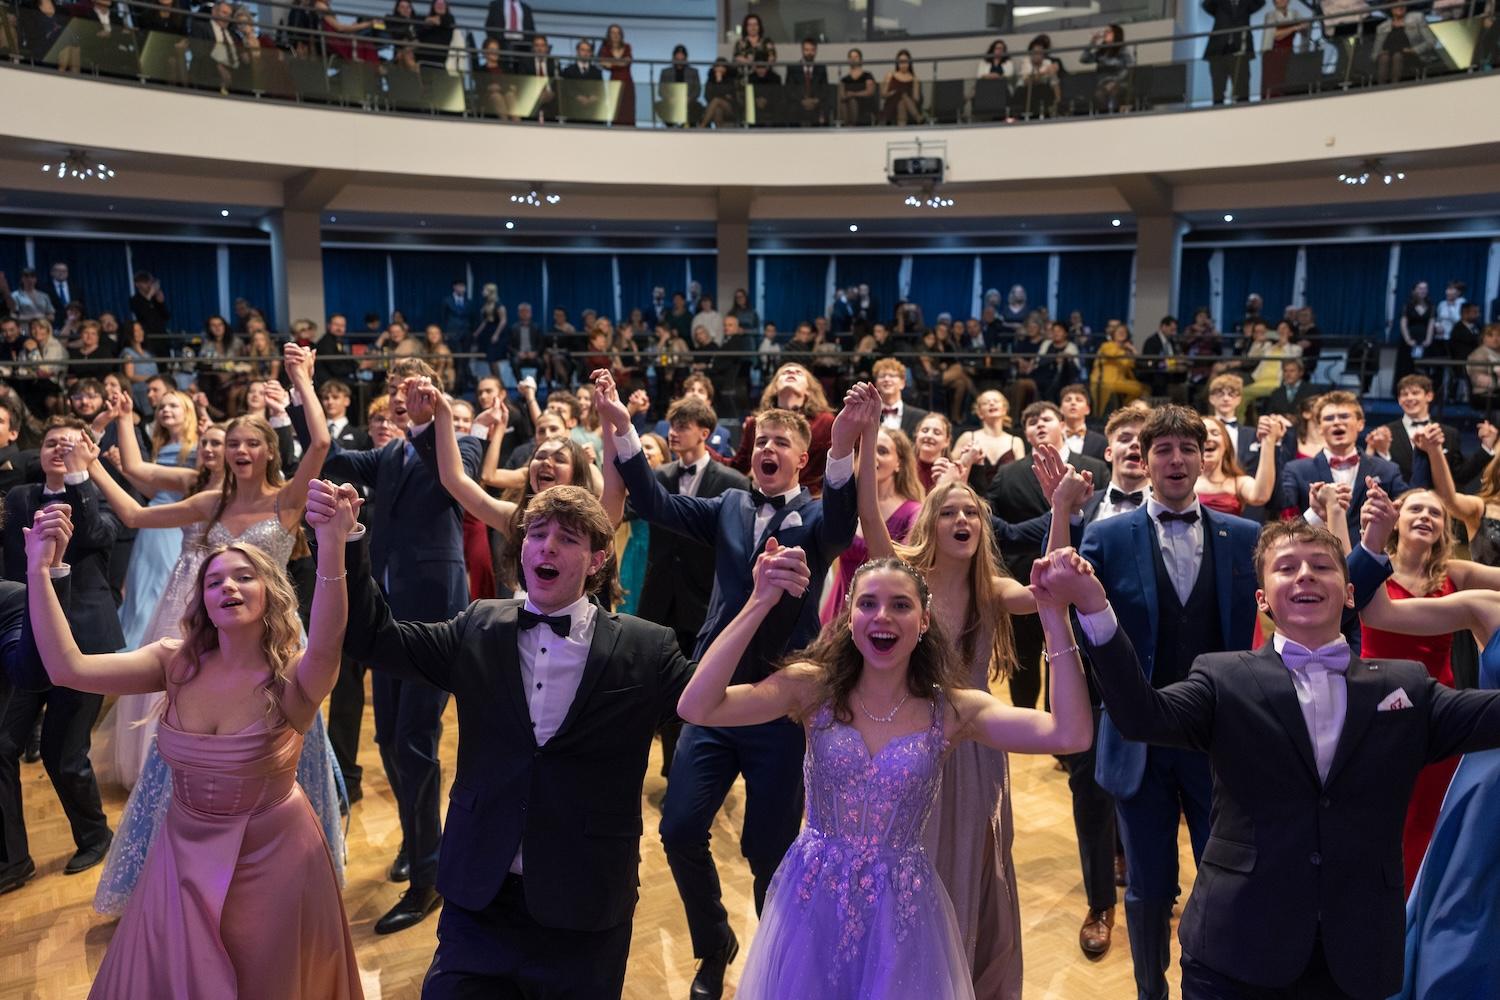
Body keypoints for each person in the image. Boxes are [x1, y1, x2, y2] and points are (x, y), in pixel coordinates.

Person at [1042, 503, 1500, 999]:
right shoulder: (1222, 678)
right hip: (1236, 948)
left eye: (1321, 565)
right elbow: (1140, 715)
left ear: (1350, 593)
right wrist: (1094, 609)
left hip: (1358, 954)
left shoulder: (1404, 685)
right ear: (1262, 599)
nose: (1305, 574)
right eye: (1286, 567)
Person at [678, 540, 1091, 1000]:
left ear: (924, 620)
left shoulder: (952, 710)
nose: (883, 617)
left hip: (901, 906)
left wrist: (1054, 618)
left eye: (900, 605)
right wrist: (758, 602)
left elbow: (1070, 734)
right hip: (814, 895)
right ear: (849, 616)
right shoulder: (813, 689)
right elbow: (697, 706)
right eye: (868, 604)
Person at [333, 478, 692, 998]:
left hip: (584, 904)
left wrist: (765, 603)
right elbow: (372, 637)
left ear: (597, 559)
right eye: (537, 534)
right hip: (480, 894)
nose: (547, 546)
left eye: (567, 538)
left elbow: (713, 698)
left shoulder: (646, 648)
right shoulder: (479, 626)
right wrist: (346, 541)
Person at [29, 480, 362, 999]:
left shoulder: (295, 678)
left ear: (270, 592)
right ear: (202, 600)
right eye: (214, 581)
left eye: (244, 577)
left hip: (275, 857)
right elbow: (66, 668)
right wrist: (40, 571)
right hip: (180, 852)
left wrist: (334, 543)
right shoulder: (174, 662)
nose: (228, 587)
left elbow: (328, 639)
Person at [606, 379, 865, 1000]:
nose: (768, 448)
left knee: (769, 851)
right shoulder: (727, 505)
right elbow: (653, 501)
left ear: (801, 458)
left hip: (781, 703)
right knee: (678, 830)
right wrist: (620, 426)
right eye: (761, 441)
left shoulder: (817, 519)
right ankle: (714, 942)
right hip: (714, 698)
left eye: (781, 442)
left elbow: (843, 519)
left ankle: (777, 969)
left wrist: (843, 447)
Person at [85, 347, 346, 916]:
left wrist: (300, 378)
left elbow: (322, 444)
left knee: (281, 752)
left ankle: (287, 870)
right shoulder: (209, 501)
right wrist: (93, 465)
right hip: (217, 646)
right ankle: (194, 874)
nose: (241, 451)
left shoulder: (287, 501)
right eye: (233, 444)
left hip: (278, 646)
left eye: (251, 443)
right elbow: (135, 516)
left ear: (269, 450)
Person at [292, 357, 482, 934]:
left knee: (415, 741)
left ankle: (429, 877)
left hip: (436, 615)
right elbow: (328, 453)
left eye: (413, 387)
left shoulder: (460, 444)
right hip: (387, 617)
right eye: (395, 387)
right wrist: (299, 390)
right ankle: (420, 841)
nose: (401, 395)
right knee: (390, 739)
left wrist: (430, 422)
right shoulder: (389, 454)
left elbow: (449, 475)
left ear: (433, 394)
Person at [0, 418, 119, 883]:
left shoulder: (95, 497)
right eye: (52, 443)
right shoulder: (20, 498)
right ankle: (12, 859)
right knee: (3, 745)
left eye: (69, 445)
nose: (59, 450)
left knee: (63, 754)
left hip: (84, 643)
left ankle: (95, 835)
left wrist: (79, 477)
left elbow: (94, 535)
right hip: (26, 635)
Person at [985, 402, 1109, 710]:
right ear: (1025, 433)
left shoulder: (1093, 468)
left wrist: (1060, 513)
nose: (1038, 424)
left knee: (1073, 663)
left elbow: (1100, 522)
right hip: (1023, 582)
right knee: (1023, 666)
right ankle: (1025, 724)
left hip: (1081, 581)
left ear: (1063, 424)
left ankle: (1065, 732)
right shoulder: (1008, 474)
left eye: (1046, 418)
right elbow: (993, 527)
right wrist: (1056, 515)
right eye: (1030, 421)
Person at [1279, 391, 1425, 539]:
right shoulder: (1296, 470)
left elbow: (1409, 508)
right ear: (1320, 428)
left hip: (1370, 552)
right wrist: (1315, 514)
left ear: (1360, 424)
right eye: (1329, 418)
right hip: (1318, 551)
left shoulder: (1387, 469)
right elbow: (1282, 520)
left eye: (1344, 416)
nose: (1337, 422)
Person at [823, 425, 923, 624]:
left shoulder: (914, 511)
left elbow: (906, 570)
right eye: (868, 450)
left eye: (882, 451)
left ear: (899, 463)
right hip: (838, 608)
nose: (873, 457)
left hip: (880, 612)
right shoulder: (848, 505)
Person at [1366, 374, 1464, 481]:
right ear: (1399, 400)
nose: (1409, 398)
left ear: (1429, 396)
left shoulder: (1449, 433)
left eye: (1415, 393)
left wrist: (1481, 452)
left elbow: (1459, 476)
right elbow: (1375, 473)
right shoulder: (1385, 433)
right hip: (1398, 491)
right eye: (1404, 394)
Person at [1196, 414, 1284, 517]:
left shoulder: (1238, 483)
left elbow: (1260, 496)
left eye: (1215, 433)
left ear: (1226, 444)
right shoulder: (1186, 482)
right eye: (1202, 435)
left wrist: (1268, 440)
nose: (1208, 438)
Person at [953, 390, 1026, 496]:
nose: (991, 403)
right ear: (980, 413)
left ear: (1004, 410)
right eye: (986, 403)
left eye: (996, 401)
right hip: (973, 498)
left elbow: (1021, 477)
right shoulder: (967, 437)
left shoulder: (1016, 442)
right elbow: (952, 469)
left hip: (1007, 500)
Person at [1202, 0, 1267, 104]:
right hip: (1218, 51)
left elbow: (1260, 2)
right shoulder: (1219, 3)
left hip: (1241, 50)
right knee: (1218, 91)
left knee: (1242, 91)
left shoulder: (1246, 3)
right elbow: (1206, 4)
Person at [1090, 322, 1147, 411]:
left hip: (1120, 381)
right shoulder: (1107, 345)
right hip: (1106, 380)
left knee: (1144, 388)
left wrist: (1132, 349)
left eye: (1124, 332)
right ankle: (1125, 409)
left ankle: (1125, 409)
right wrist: (1126, 351)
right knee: (1138, 389)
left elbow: (1132, 364)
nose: (1122, 333)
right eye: (1119, 331)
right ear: (1113, 334)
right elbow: (1112, 354)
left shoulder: (1126, 350)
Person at [1059, 384, 1107, 461]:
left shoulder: (1102, 442)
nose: (1073, 403)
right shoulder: (1051, 439)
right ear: (1061, 409)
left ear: (1088, 409)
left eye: (1079, 400)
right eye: (1068, 400)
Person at [599, 23, 634, 126]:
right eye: (613, 32)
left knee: (628, 110)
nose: (615, 35)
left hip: (627, 83)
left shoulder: (627, 47)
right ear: (609, 35)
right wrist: (619, 63)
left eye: (618, 33)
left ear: (621, 35)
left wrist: (612, 63)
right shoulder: (605, 49)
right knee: (615, 109)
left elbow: (626, 62)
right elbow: (603, 63)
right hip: (614, 83)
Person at [880, 49, 922, 125]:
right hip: (891, 105)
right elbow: (883, 94)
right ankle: (918, 117)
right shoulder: (890, 75)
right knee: (901, 94)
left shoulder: (914, 79)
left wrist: (907, 97)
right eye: (901, 62)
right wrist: (892, 93)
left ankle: (902, 127)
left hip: (908, 109)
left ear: (909, 62)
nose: (903, 64)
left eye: (905, 62)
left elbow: (916, 99)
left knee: (902, 102)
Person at [839, 48, 878, 126]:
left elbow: (870, 92)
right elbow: (842, 95)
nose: (853, 59)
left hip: (864, 103)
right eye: (851, 57)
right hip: (848, 105)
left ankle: (853, 125)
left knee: (853, 100)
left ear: (860, 59)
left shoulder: (867, 75)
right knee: (846, 102)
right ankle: (847, 125)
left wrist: (854, 94)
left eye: (856, 57)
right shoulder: (844, 79)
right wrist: (847, 95)